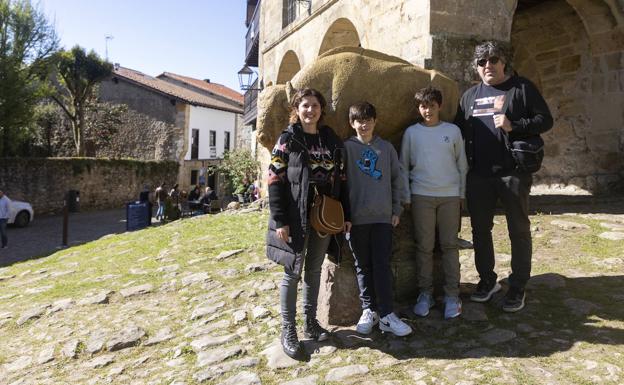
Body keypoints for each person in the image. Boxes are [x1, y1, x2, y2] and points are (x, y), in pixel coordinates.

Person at [454, 41, 553, 312]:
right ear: (476, 67)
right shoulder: (469, 97)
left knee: (518, 230)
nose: (488, 65)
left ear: (503, 63)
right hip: (479, 176)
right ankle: (487, 281)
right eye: (482, 62)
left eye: (493, 60)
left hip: (513, 174)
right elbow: (457, 134)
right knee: (480, 231)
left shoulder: (521, 88)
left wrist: (514, 125)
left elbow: (546, 120)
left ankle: (518, 285)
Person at [266, 87, 350, 359]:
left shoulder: (331, 139)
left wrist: (345, 214)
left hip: (324, 214)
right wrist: (280, 219)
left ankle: (310, 323)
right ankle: (288, 329)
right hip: (295, 215)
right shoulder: (288, 139)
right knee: (293, 271)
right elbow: (274, 178)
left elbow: (342, 178)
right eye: (305, 105)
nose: (310, 110)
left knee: (314, 269)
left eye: (315, 105)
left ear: (321, 109)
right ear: (297, 109)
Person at [344, 102, 412, 336]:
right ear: (352, 123)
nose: (364, 124)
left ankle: (386, 314)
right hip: (356, 220)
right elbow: (340, 185)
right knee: (363, 267)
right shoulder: (346, 149)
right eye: (359, 120)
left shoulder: (386, 148)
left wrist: (396, 209)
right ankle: (368, 310)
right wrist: (344, 215)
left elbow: (397, 179)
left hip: (383, 218)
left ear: (375, 121)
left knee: (382, 265)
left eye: (368, 120)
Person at [400, 87, 468, 319]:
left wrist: (461, 194)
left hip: (450, 196)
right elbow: (403, 166)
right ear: (419, 108)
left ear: (439, 106)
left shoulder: (453, 131)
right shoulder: (411, 133)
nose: (427, 110)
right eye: (423, 106)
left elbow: (462, 165)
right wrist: (407, 196)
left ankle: (452, 295)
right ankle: (425, 294)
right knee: (424, 247)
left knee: (449, 246)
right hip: (421, 196)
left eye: (431, 105)